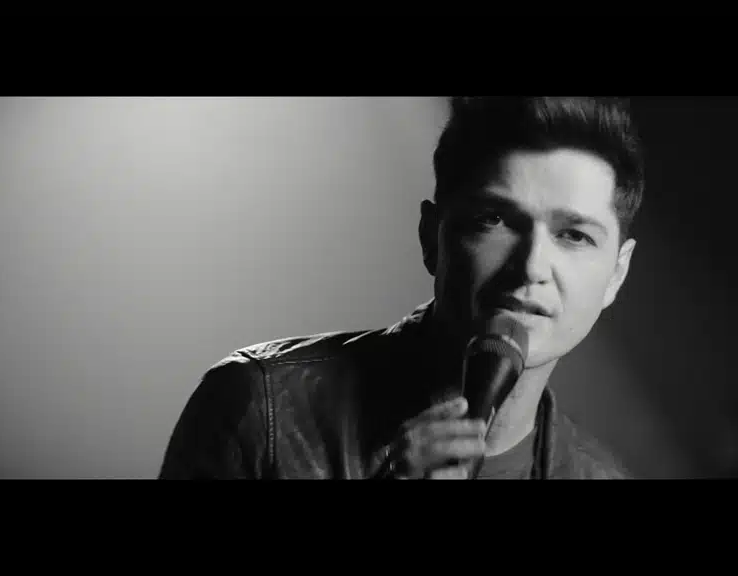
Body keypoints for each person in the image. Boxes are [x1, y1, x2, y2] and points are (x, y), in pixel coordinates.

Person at [159, 96, 645, 480]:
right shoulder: (257, 409)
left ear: (617, 274)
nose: (532, 266)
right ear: (431, 237)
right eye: (493, 219)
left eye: (574, 235)